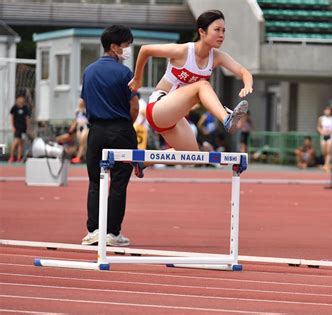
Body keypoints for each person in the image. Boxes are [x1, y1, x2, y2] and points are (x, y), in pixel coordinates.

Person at [128, 9, 252, 175]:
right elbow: (145, 50)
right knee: (203, 85)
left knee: (191, 156)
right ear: (202, 31)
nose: (221, 35)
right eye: (217, 30)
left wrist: (247, 84)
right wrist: (137, 79)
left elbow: (243, 71)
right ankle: (226, 118)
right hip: (158, 107)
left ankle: (143, 161)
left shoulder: (217, 57)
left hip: (175, 117)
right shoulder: (183, 51)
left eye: (223, 31)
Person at [80, 25, 139, 247]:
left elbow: (85, 101)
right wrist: (125, 126)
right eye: (126, 46)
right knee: (118, 182)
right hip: (121, 129)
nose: (128, 50)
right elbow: (134, 107)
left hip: (95, 131)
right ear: (114, 47)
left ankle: (94, 230)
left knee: (95, 181)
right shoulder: (125, 73)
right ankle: (112, 233)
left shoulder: (89, 71)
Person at [317, 106, 332, 172]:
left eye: (329, 110)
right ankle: (327, 163)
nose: (327, 112)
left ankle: (326, 165)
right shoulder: (321, 118)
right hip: (323, 135)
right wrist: (321, 131)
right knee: (324, 151)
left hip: (330, 136)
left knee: (328, 151)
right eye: (326, 110)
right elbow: (318, 127)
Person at [9, 95, 31, 163]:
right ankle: (11, 157)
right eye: (19, 99)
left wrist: (27, 127)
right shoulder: (14, 107)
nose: (21, 100)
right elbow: (12, 117)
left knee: (21, 144)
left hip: (23, 128)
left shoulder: (25, 108)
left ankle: (19, 158)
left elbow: (27, 118)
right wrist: (13, 127)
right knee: (15, 142)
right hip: (17, 128)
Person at [71, 99, 89, 164]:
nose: (80, 102)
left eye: (81, 101)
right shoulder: (77, 111)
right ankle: (83, 156)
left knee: (82, 141)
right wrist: (72, 128)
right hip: (79, 127)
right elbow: (76, 120)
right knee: (81, 143)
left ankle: (78, 157)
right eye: (79, 101)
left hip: (85, 127)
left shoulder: (87, 110)